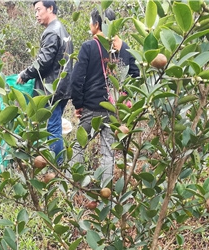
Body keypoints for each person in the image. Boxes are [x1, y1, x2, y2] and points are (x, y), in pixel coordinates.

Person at [70, 8, 139, 186]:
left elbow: (77, 79)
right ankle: (106, 189)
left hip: (92, 108)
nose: (89, 25)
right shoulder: (124, 48)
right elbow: (136, 76)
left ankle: (75, 186)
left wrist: (78, 104)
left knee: (78, 146)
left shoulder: (89, 47)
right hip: (115, 109)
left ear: (97, 24)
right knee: (108, 151)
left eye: (90, 22)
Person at [17, 1, 73, 163]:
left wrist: (25, 74)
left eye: (38, 10)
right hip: (62, 87)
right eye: (35, 11)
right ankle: (56, 164)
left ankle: (56, 166)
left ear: (50, 8)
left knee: (52, 128)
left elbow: (44, 61)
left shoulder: (52, 32)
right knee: (55, 126)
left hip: (52, 90)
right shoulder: (61, 29)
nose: (36, 14)